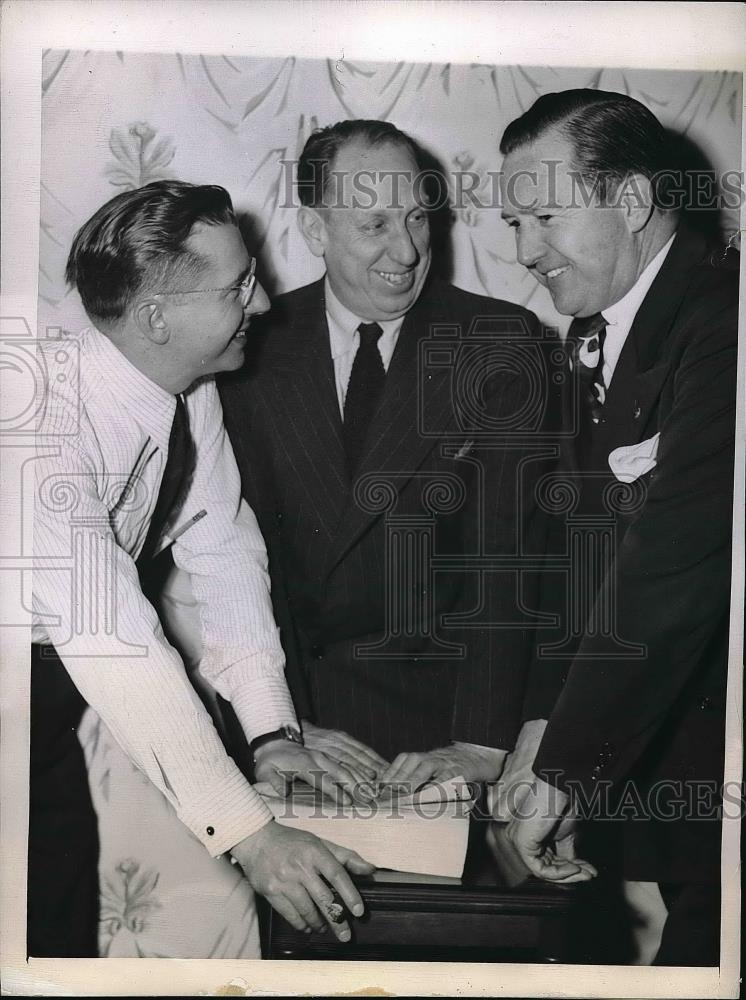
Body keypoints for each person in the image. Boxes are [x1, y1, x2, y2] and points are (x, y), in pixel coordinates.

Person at [31, 180, 375, 958]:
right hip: (58, 665)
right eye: (239, 287)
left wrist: (272, 734)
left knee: (48, 933)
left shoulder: (188, 383)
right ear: (157, 317)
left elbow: (223, 548)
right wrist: (249, 833)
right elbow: (113, 637)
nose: (261, 304)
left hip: (42, 697)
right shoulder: (42, 422)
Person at [219, 119, 556, 794]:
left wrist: (482, 744)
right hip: (303, 734)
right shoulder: (246, 351)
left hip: (446, 735)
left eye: (417, 219)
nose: (405, 250)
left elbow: (510, 557)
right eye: (374, 225)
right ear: (316, 233)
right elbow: (227, 561)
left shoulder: (499, 342)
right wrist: (274, 727)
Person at [496, 89, 737, 965]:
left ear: (632, 202)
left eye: (546, 217)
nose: (525, 253)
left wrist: (563, 771)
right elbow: (578, 559)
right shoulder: (598, 340)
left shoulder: (726, 322)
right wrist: (536, 735)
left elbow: (668, 570)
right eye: (515, 225)